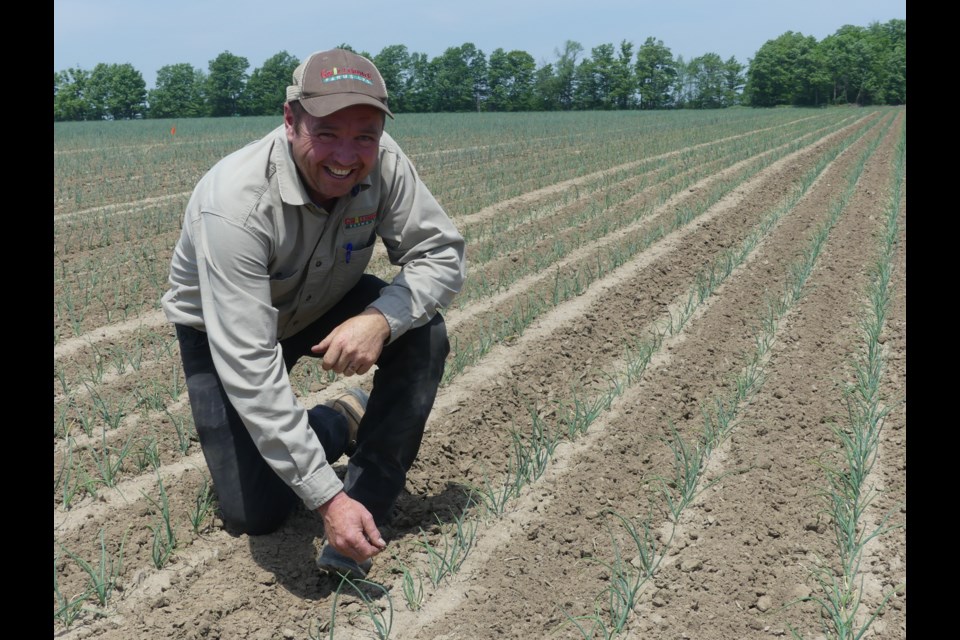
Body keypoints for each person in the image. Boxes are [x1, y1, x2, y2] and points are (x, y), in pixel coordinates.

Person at [161, 48, 466, 579]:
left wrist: (382, 319)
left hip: (326, 299)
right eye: (326, 133)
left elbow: (440, 254)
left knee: (423, 333)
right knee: (255, 513)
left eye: (364, 135)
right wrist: (326, 501)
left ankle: (369, 499)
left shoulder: (384, 162)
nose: (347, 155)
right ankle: (334, 422)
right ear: (289, 120)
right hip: (225, 331)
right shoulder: (234, 203)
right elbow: (252, 365)